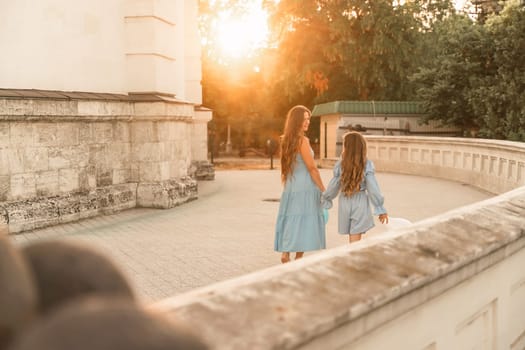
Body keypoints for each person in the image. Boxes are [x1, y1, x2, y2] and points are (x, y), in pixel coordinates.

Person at [274, 105, 326, 263]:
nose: (307, 122)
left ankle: (285, 253)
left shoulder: (286, 140)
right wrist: (323, 189)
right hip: (305, 186)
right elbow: (312, 168)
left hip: (291, 185)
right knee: (304, 221)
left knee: (290, 218)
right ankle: (297, 258)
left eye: (308, 118)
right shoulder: (303, 141)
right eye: (304, 119)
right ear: (296, 121)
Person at [322, 131, 388, 243]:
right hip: (360, 201)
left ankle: (352, 256)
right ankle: (352, 258)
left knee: (353, 237)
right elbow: (373, 188)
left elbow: (333, 186)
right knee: (355, 239)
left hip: (345, 202)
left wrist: (326, 198)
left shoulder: (340, 165)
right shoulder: (367, 164)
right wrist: (380, 207)